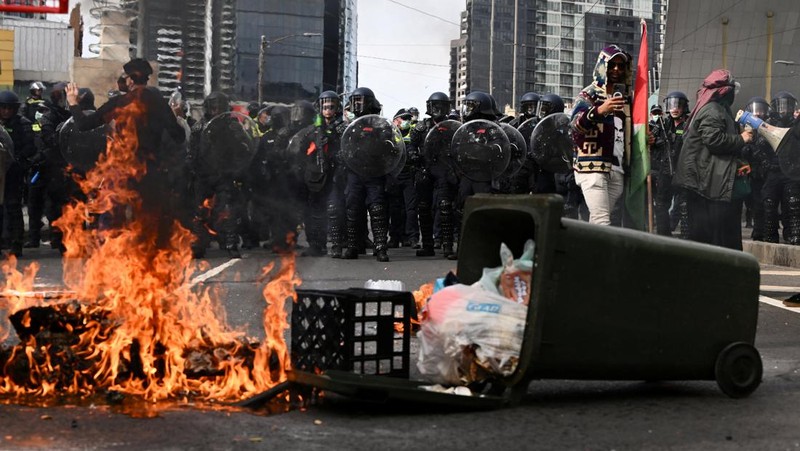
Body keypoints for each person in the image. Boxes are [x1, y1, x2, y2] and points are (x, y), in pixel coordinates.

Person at [66, 58, 187, 252]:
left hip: (122, 172)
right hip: (150, 173)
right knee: (150, 225)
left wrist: (73, 103)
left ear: (130, 80)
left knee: (112, 221)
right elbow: (179, 137)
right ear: (146, 79)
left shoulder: (120, 102)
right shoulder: (158, 103)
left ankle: (106, 259)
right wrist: (175, 116)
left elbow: (83, 124)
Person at [672, 69, 753, 250]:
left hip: (709, 180)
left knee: (711, 235)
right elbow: (714, 140)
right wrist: (742, 139)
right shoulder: (713, 110)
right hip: (705, 184)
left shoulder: (715, 109)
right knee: (711, 236)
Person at [570, 45, 631, 226]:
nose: (616, 69)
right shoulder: (589, 94)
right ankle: (599, 254)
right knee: (602, 221)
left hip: (617, 168)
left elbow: (626, 131)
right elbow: (575, 125)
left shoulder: (626, 97)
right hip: (592, 167)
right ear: (603, 65)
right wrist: (600, 110)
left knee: (600, 221)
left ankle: (584, 251)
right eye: (612, 64)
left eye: (621, 66)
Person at [341, 87, 391, 261]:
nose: (356, 104)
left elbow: (388, 146)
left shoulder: (381, 124)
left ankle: (381, 248)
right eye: (354, 101)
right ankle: (353, 246)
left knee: (377, 209)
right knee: (353, 209)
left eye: (360, 101)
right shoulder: (349, 126)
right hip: (354, 172)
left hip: (374, 172)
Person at [25, 82, 73, 251]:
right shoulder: (48, 114)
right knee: (36, 201)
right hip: (45, 164)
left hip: (64, 165)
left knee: (61, 204)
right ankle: (36, 237)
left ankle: (58, 239)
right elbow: (49, 139)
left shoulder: (72, 113)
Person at [410, 91, 458, 259]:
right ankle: (428, 245)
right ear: (429, 107)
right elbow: (411, 145)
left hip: (444, 170)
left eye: (440, 106)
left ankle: (447, 246)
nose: (437, 109)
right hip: (425, 169)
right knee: (423, 208)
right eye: (434, 106)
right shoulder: (421, 127)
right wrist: (413, 155)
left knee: (445, 207)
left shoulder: (453, 126)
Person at [300, 91, 346, 257]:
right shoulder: (311, 130)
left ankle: (336, 245)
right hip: (315, 176)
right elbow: (299, 150)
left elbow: (348, 150)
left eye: (331, 107)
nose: (327, 110)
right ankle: (315, 245)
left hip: (335, 174)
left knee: (334, 209)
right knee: (313, 211)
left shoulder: (342, 129)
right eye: (324, 106)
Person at [0, 91, 36, 257]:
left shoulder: (23, 124)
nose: (5, 111)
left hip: (14, 172)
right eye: (3, 108)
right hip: (1, 172)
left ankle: (16, 244)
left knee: (14, 207)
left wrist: (18, 160)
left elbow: (30, 147)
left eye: (9, 108)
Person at [761, 91, 800, 244]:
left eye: (787, 105)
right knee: (769, 202)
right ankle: (769, 236)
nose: (783, 109)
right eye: (781, 105)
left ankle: (794, 235)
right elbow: (760, 147)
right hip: (773, 171)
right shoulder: (768, 123)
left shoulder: (796, 125)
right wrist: (765, 163)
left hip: (791, 172)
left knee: (793, 204)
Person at [739, 96, 772, 241]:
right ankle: (755, 229)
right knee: (752, 203)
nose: (757, 114)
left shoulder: (770, 129)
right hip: (748, 173)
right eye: (754, 110)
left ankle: (762, 232)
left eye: (760, 110)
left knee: (763, 204)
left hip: (765, 172)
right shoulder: (744, 130)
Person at [387, 108, 418, 248]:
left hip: (409, 174)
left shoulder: (414, 133)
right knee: (395, 208)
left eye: (408, 119)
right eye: (402, 118)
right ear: (395, 120)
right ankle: (394, 237)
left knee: (410, 208)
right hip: (394, 175)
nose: (406, 121)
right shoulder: (390, 134)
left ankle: (411, 237)